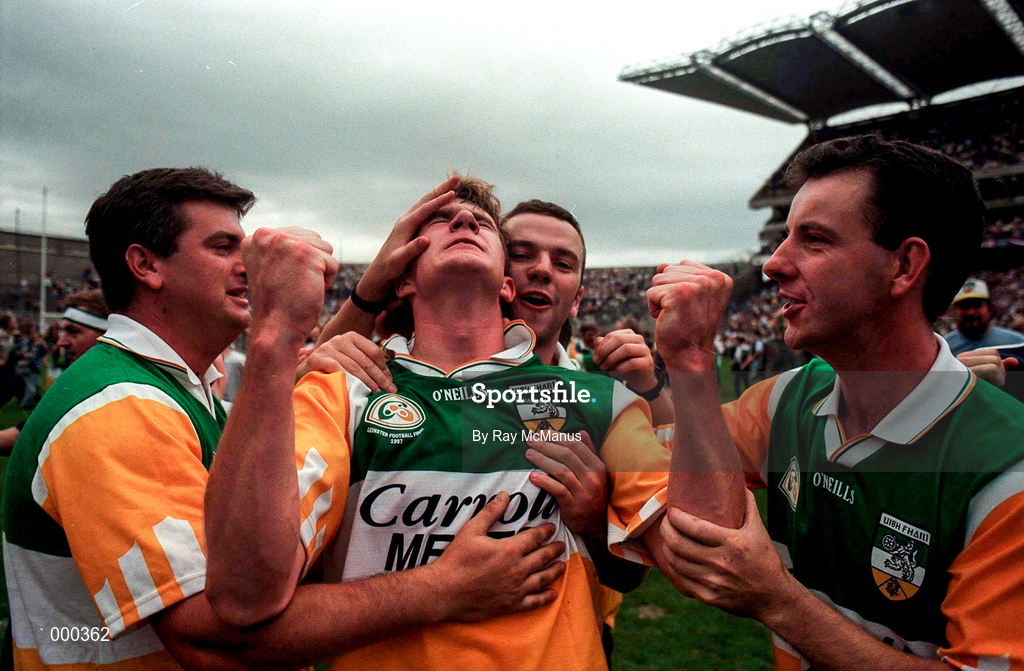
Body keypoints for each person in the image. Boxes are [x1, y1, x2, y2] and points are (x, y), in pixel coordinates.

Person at [2, 168, 560, 671]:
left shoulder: (179, 389)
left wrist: (362, 297)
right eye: (224, 248)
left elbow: (284, 415)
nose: (248, 265)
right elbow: (215, 630)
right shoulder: (118, 407)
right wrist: (440, 588)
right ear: (146, 265)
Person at [204, 174, 718, 671]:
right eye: (444, 220)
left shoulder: (596, 399)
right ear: (401, 279)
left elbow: (712, 550)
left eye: (482, 223)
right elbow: (245, 596)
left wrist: (691, 361)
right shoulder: (341, 392)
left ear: (505, 285)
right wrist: (274, 336)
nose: (466, 219)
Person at [655, 136, 1024, 671]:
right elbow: (698, 530)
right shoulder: (786, 398)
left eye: (814, 240)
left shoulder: (1007, 473)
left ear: (904, 267)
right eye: (784, 238)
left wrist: (781, 602)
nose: (773, 265)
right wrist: (687, 364)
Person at [943, 277, 1024, 355]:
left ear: (990, 309)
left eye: (977, 305)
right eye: (964, 307)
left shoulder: (1017, 343)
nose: (970, 312)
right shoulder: (942, 347)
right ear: (954, 311)